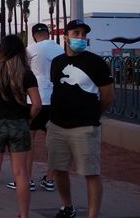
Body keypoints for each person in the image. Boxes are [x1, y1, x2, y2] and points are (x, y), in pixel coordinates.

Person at [47, 20, 114, 218]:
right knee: (58, 170)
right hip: (57, 125)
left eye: (83, 34)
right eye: (76, 33)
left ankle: (92, 215)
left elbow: (108, 96)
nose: (81, 37)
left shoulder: (96, 62)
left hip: (85, 127)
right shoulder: (57, 62)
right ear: (66, 36)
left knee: (90, 173)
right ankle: (67, 207)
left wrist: (93, 115)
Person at [0, 35, 42, 218]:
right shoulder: (26, 73)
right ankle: (23, 214)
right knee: (21, 174)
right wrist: (26, 120)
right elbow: (37, 104)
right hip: (19, 125)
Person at [6, 23, 64, 192]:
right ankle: (50, 179)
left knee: (29, 140)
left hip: (35, 98)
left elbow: (20, 72)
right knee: (52, 141)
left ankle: (27, 179)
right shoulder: (59, 49)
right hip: (56, 100)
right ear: (48, 33)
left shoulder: (31, 49)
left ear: (33, 35)